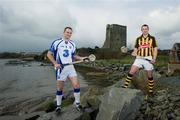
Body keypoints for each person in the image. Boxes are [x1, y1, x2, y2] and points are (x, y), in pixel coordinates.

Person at [47, 27, 87, 113]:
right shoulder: (56, 42)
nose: (69, 34)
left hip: (70, 67)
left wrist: (82, 58)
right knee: (60, 89)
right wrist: (55, 63)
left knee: (76, 85)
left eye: (70, 33)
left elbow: (73, 56)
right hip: (60, 68)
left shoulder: (72, 44)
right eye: (67, 32)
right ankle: (58, 106)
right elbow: (49, 54)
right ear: (64, 32)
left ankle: (77, 104)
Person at [122, 24, 158, 97]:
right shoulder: (138, 39)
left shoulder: (152, 38)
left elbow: (155, 50)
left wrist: (154, 59)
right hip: (139, 58)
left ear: (148, 30)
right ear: (141, 30)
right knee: (131, 72)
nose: (145, 30)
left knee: (150, 76)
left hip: (148, 58)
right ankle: (125, 87)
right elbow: (135, 50)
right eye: (143, 29)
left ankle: (150, 91)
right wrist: (133, 53)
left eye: (146, 29)